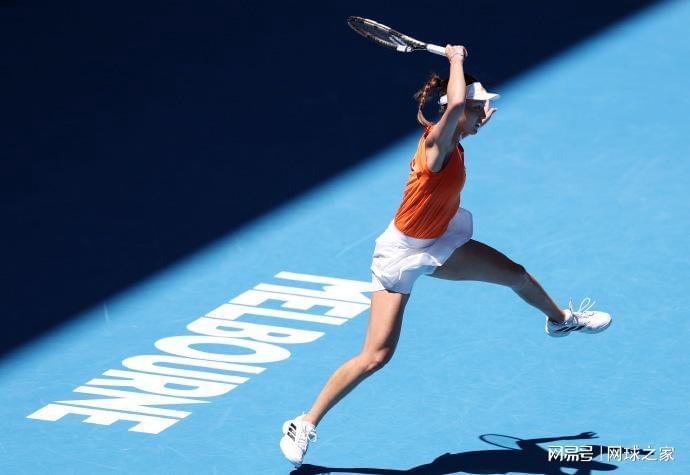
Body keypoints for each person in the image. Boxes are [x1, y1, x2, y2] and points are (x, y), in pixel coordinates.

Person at [279, 44, 612, 468]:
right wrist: (456, 60)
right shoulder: (437, 143)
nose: (486, 114)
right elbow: (455, 104)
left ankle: (561, 320)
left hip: (440, 240)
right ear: (458, 110)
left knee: (516, 275)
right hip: (400, 253)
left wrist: (565, 442)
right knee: (376, 356)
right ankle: (303, 423)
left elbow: (459, 108)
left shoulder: (454, 140)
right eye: (479, 108)